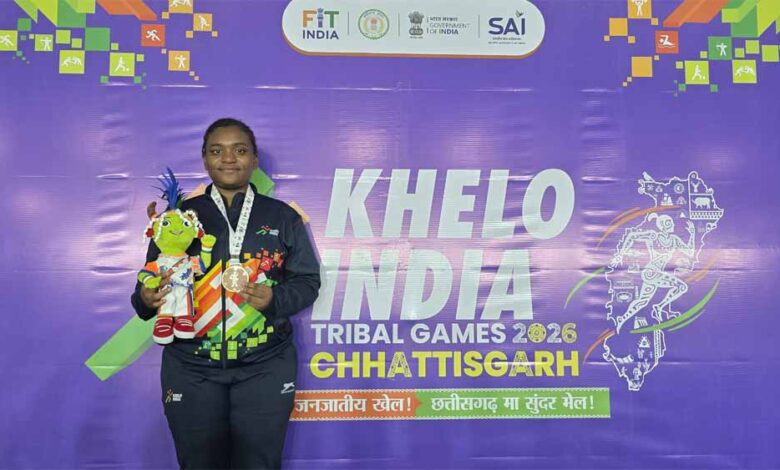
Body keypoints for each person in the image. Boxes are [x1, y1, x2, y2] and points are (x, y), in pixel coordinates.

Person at [131, 118, 321, 469]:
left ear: (255, 159)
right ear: (204, 159)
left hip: (265, 365)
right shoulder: (179, 218)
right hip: (191, 367)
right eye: (217, 151)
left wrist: (276, 300)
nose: (229, 158)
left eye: (240, 150)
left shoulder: (282, 217)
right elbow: (146, 288)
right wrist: (146, 299)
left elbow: (308, 281)